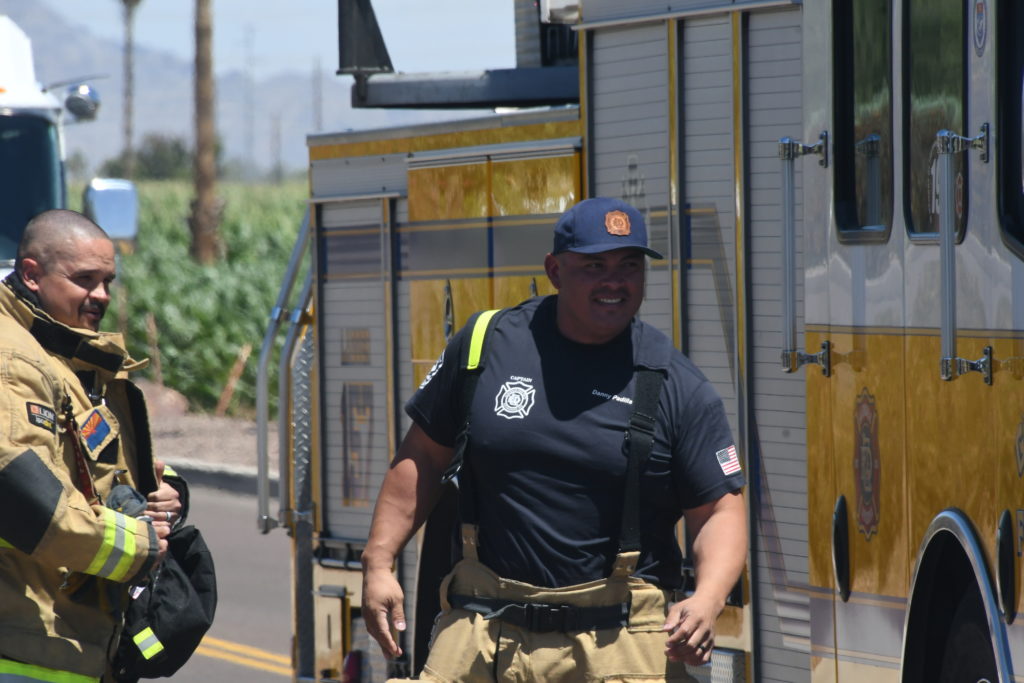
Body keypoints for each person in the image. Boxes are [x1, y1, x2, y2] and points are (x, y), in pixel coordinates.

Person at [362, 197, 748, 681]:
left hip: (616, 646)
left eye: (630, 266)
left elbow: (719, 510)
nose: (615, 282)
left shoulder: (675, 383)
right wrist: (379, 561)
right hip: (482, 635)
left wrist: (708, 598)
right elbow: (423, 454)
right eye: (595, 266)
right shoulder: (484, 345)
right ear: (555, 271)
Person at [0, 209, 185, 683]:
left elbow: (88, 461)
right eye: (84, 279)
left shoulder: (58, 352)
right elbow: (24, 498)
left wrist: (159, 492)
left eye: (107, 282)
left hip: (61, 643)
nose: (100, 295)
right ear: (31, 274)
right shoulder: (12, 359)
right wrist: (140, 546)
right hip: (23, 647)